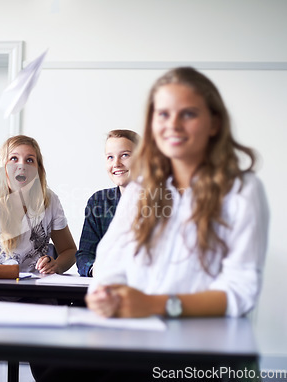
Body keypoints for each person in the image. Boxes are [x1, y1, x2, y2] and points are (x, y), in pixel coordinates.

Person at [86, 67, 269, 320]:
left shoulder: (241, 190)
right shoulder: (140, 190)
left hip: (208, 348)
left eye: (188, 114)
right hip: (138, 340)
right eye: (163, 114)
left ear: (214, 123)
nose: (173, 124)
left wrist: (156, 305)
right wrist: (105, 296)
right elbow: (109, 266)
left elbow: (241, 290)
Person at [0, 135, 76, 275]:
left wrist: (56, 265)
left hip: (33, 290)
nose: (22, 165)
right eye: (13, 158)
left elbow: (69, 251)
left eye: (29, 160)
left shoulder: (49, 200)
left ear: (38, 169)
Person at [75, 129, 140, 277]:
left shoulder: (164, 201)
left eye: (125, 155)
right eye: (110, 157)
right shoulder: (98, 201)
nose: (116, 163)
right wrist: (94, 269)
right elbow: (84, 254)